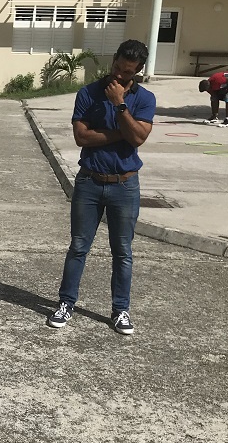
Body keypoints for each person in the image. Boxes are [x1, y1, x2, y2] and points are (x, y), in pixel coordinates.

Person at [47, 39, 156, 336]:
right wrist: (122, 134)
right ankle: (66, 303)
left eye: (127, 71)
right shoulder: (88, 93)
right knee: (78, 246)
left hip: (125, 185)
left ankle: (121, 310)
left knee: (122, 251)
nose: (118, 75)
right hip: (89, 182)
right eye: (117, 67)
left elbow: (139, 138)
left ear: (138, 72)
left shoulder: (144, 99)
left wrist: (120, 105)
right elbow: (81, 137)